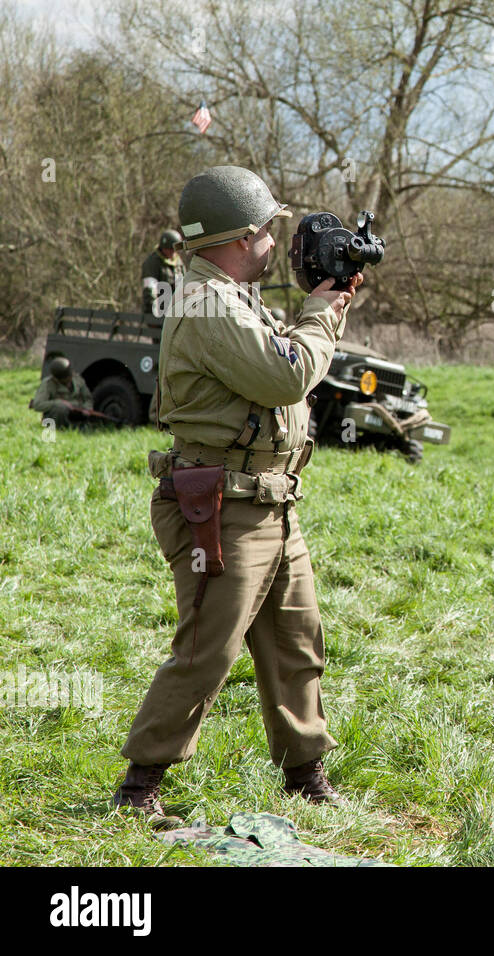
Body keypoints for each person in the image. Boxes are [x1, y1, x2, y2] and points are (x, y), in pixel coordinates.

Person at [111, 166, 359, 826]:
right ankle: (139, 787)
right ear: (241, 237)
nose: (277, 244)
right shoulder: (207, 303)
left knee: (295, 641)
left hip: (270, 501)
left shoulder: (228, 294)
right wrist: (320, 319)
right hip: (222, 506)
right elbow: (284, 377)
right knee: (207, 651)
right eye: (268, 232)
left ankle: (305, 771)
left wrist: (322, 310)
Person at [30, 357, 96, 428]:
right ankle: (59, 428)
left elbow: (88, 398)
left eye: (70, 375)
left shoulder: (77, 379)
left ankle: (79, 426)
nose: (70, 378)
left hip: (77, 411)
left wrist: (87, 408)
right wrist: (58, 402)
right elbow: (38, 405)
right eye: (66, 377)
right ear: (58, 378)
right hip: (55, 416)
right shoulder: (48, 384)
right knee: (61, 408)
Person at [141, 229, 183, 316]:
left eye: (174, 250)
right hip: (159, 312)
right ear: (163, 248)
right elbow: (150, 291)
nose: (173, 252)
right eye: (170, 249)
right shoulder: (152, 263)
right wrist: (153, 314)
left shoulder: (178, 263)